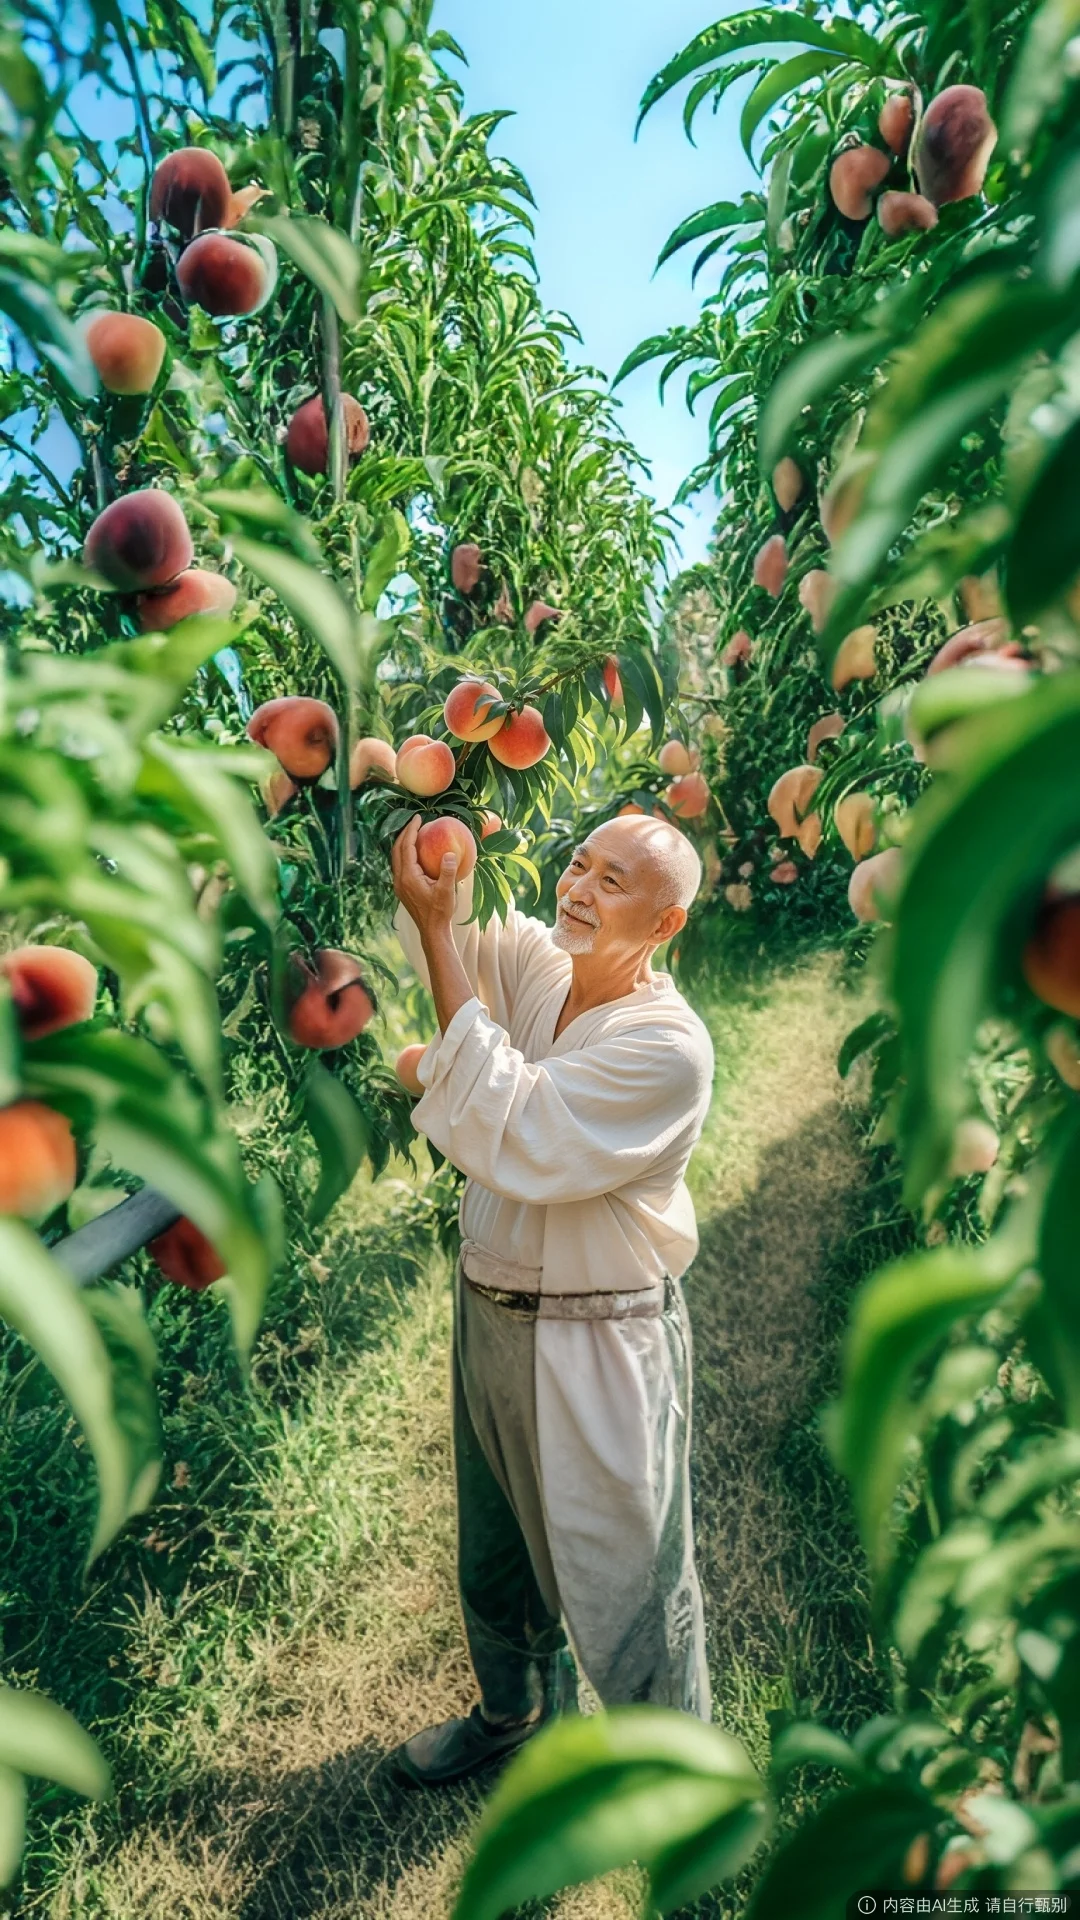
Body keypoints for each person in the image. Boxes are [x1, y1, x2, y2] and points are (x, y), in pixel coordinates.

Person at [389, 808, 715, 1786]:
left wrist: (439, 935)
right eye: (578, 863)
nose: (577, 888)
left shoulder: (667, 1048)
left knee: (631, 1585)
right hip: (489, 1309)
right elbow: (457, 915)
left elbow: (520, 1126)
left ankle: (680, 1789)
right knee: (494, 1551)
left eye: (613, 882)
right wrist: (438, 827)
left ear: (665, 925)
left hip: (595, 1336)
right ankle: (513, 1713)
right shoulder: (546, 968)